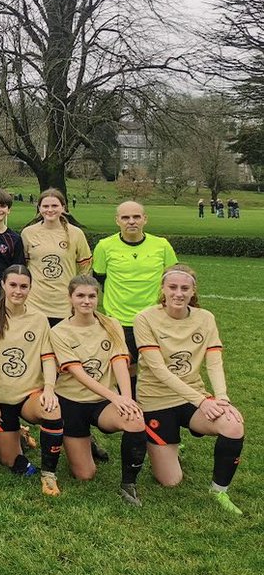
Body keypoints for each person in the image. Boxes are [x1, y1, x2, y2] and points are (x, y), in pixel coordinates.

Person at [134, 265, 245, 515]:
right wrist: (203, 401)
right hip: (156, 401)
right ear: (163, 290)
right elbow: (159, 370)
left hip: (193, 398)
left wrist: (222, 397)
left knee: (233, 424)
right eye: (172, 287)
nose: (178, 293)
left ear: (193, 291)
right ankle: (160, 445)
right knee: (171, 481)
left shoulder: (205, 318)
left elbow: (214, 361)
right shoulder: (145, 318)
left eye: (185, 288)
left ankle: (219, 491)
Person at [49, 275, 147, 506]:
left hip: (102, 403)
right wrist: (115, 397)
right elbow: (78, 373)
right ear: (70, 298)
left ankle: (128, 484)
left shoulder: (110, 324)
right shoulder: (59, 331)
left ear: (98, 298)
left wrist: (126, 398)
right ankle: (84, 440)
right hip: (71, 401)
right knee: (85, 474)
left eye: (91, 296)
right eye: (80, 296)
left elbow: (119, 362)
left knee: (135, 420)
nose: (86, 301)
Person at [0, 265, 65, 496]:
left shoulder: (38, 318)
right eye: (13, 285)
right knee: (11, 461)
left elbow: (47, 357)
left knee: (52, 409)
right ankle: (20, 434)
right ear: (3, 285)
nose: (18, 291)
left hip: (29, 395)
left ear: (30, 288)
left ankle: (48, 475)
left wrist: (49, 388)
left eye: (24, 286)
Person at [92, 201, 178, 372]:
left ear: (145, 219)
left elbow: (174, 280)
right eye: (125, 217)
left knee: (156, 365)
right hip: (119, 319)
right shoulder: (104, 246)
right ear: (117, 220)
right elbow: (98, 279)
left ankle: (153, 397)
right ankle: (128, 398)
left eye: (136, 217)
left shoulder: (162, 245)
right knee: (125, 366)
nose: (131, 221)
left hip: (155, 318)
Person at [22, 188, 91, 325]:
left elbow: (86, 267)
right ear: (39, 208)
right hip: (35, 303)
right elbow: (23, 267)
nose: (50, 210)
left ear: (63, 207)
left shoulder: (76, 233)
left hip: (64, 305)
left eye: (54, 206)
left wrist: (79, 294)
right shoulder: (28, 233)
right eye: (45, 206)